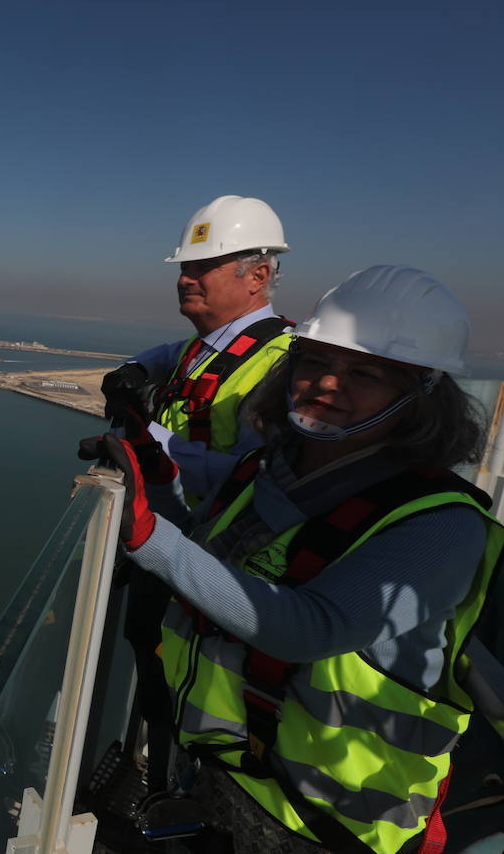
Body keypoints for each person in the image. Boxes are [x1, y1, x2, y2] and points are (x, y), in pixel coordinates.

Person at [82, 265, 501, 853]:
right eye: (314, 362)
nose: (326, 384)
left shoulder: (440, 525)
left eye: (364, 373)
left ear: (421, 398)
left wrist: (149, 535)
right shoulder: (270, 471)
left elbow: (309, 629)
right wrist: (156, 481)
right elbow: (206, 558)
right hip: (229, 771)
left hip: (333, 826)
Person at [103, 195, 293, 501]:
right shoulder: (208, 344)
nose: (184, 280)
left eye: (203, 267)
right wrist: (135, 370)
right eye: (184, 268)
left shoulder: (281, 363)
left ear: (257, 277)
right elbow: (168, 354)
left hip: (204, 531)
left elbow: (251, 482)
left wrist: (148, 440)